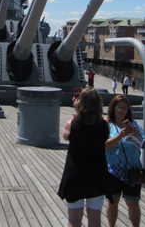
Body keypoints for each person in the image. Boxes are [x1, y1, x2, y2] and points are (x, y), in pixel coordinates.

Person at [58, 87, 111, 227]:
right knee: (95, 221)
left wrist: (76, 113)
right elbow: (104, 136)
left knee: (74, 221)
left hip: (75, 175)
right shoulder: (104, 125)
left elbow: (65, 135)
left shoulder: (72, 124)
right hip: (96, 176)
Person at [105, 95, 145, 227]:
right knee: (112, 201)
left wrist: (136, 135)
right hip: (113, 170)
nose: (122, 110)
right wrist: (120, 136)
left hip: (132, 170)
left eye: (124, 107)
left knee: (133, 202)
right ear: (113, 109)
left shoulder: (135, 125)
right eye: (119, 107)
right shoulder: (107, 125)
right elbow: (104, 145)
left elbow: (143, 145)